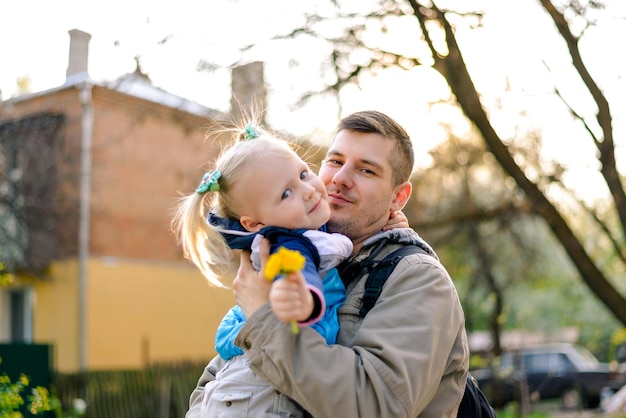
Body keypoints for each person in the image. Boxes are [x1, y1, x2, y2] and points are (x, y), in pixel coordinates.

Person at [186, 110, 469, 417]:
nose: (340, 179)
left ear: (398, 197)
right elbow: (218, 378)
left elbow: (376, 404)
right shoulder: (299, 255)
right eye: (335, 161)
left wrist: (263, 318)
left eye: (366, 171)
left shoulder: (417, 279)